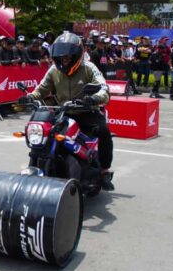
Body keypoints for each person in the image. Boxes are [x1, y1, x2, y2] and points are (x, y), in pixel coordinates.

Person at [19, 33, 114, 191]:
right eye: (60, 58)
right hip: (64, 112)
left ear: (76, 55)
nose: (63, 61)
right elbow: (42, 88)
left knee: (104, 132)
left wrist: (93, 99)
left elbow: (104, 89)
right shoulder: (54, 71)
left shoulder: (88, 68)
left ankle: (104, 171)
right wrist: (30, 96)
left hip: (87, 111)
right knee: (47, 136)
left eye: (67, 58)